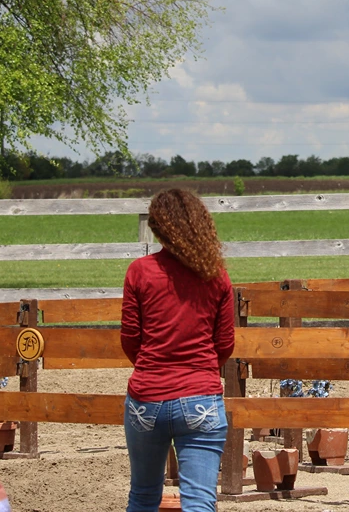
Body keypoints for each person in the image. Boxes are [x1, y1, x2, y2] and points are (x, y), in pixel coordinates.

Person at [121, 188, 235, 512]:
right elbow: (224, 345)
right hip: (201, 398)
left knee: (142, 497)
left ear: (158, 228)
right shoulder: (216, 275)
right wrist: (200, 370)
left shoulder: (139, 272)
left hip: (147, 397)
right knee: (200, 501)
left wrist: (152, 365)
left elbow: (131, 341)